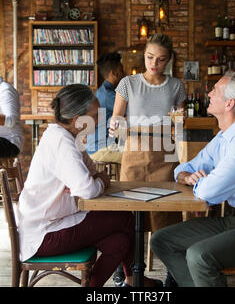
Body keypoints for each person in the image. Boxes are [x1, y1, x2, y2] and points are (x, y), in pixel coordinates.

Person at [16, 84, 161, 287]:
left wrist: (93, 180)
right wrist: (98, 181)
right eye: (94, 115)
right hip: (43, 233)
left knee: (119, 241)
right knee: (124, 217)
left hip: (57, 220)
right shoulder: (61, 142)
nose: (99, 119)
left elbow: (92, 171)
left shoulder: (70, 138)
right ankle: (134, 279)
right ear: (77, 120)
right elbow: (89, 189)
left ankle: (108, 284)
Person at [150, 71, 235, 287]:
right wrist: (187, 176)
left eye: (216, 90)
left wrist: (200, 181)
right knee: (161, 240)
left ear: (229, 103)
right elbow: (185, 168)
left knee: (199, 255)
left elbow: (207, 192)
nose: (209, 93)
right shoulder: (223, 137)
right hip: (232, 221)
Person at [110, 33, 186, 286]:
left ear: (169, 61)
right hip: (134, 154)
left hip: (166, 155)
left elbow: (180, 123)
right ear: (144, 55)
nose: (154, 64)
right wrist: (116, 125)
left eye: (161, 60)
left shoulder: (176, 86)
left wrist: (179, 118)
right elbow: (117, 117)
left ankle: (171, 272)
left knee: (166, 215)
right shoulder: (127, 83)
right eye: (150, 57)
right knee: (129, 216)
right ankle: (126, 269)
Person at [86, 52, 124, 159]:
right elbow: (132, 111)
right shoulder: (108, 95)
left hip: (94, 146)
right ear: (113, 73)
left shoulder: (102, 91)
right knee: (134, 156)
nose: (124, 74)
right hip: (101, 147)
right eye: (121, 70)